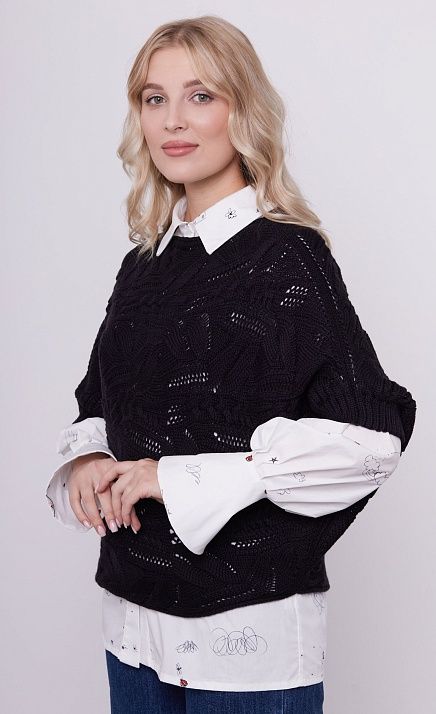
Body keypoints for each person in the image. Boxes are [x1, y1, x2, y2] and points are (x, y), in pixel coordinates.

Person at [45, 15, 416, 714]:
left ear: (241, 110)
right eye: (154, 98)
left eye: (200, 96)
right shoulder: (143, 265)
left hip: (245, 637)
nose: (173, 121)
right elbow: (100, 401)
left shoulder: (287, 257)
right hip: (133, 624)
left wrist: (172, 477)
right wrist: (90, 460)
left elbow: (372, 437)